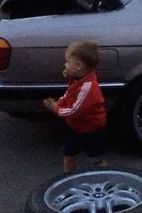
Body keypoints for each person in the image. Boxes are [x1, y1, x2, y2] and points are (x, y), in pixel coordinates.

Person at [43, 40, 108, 172]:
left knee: (96, 160)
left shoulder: (88, 88)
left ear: (78, 66)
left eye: (67, 62)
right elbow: (68, 95)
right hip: (78, 128)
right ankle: (69, 178)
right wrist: (60, 102)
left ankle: (106, 176)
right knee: (68, 155)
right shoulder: (76, 80)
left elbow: (74, 111)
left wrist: (55, 108)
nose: (65, 65)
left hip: (91, 130)